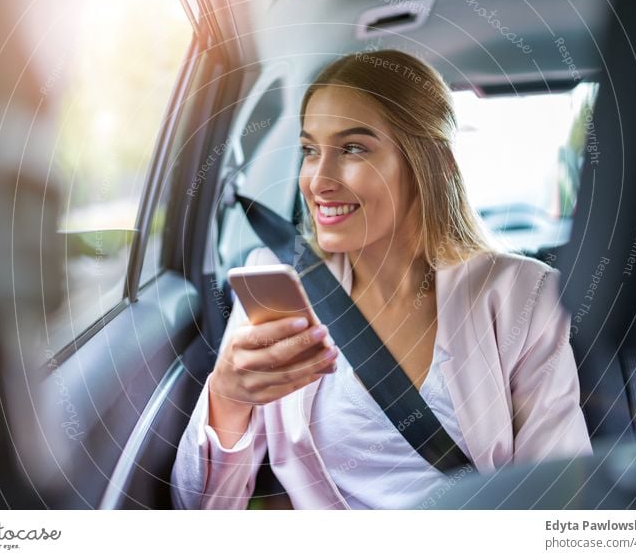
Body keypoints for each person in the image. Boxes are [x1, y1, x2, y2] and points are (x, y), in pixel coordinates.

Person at [170, 49, 592, 510]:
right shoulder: (281, 286)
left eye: (353, 148)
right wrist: (228, 398)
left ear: (433, 163)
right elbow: (202, 510)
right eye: (310, 150)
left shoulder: (522, 296)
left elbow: (561, 496)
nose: (318, 180)